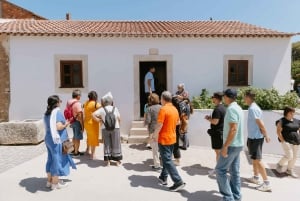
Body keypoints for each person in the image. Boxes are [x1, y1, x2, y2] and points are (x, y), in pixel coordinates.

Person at [152, 91, 186, 192]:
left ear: (163, 99)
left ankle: (178, 181)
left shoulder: (163, 109)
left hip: (164, 138)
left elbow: (159, 124)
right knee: (167, 158)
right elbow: (178, 122)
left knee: (167, 160)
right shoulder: (174, 109)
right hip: (172, 137)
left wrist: (154, 135)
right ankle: (163, 177)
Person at [215, 89, 244, 201]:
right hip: (238, 144)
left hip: (231, 145)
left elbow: (233, 128)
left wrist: (225, 146)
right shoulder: (239, 108)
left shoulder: (231, 109)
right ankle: (236, 196)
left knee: (220, 170)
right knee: (234, 172)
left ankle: (228, 197)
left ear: (227, 97)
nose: (223, 98)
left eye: (224, 96)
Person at [44, 95, 76, 190]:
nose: (61, 103)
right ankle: (55, 183)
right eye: (60, 101)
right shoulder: (57, 112)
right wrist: (66, 124)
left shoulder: (47, 113)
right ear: (57, 103)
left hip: (49, 138)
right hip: (56, 140)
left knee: (50, 159)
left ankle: (49, 181)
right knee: (56, 160)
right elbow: (58, 127)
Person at [244, 90, 272, 192]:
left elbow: (260, 123)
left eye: (244, 97)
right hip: (253, 137)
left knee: (258, 160)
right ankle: (256, 178)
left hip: (256, 138)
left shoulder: (253, 108)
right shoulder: (253, 107)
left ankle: (267, 183)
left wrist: (266, 135)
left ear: (248, 97)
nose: (244, 99)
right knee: (254, 159)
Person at [92, 92, 122, 166]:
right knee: (116, 144)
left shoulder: (102, 109)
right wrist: (118, 125)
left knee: (107, 144)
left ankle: (108, 161)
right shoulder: (115, 108)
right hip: (115, 128)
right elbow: (119, 118)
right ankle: (117, 161)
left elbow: (93, 114)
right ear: (111, 102)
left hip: (105, 128)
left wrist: (98, 120)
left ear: (105, 102)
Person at [275, 106, 300, 178]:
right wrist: (283, 141)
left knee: (294, 157)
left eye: (293, 112)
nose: (293, 114)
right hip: (286, 141)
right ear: (287, 112)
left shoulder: (296, 121)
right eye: (291, 112)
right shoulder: (281, 121)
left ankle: (289, 170)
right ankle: (280, 165)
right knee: (289, 156)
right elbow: (278, 132)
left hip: (296, 141)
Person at [205, 92, 226, 176]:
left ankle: (218, 169)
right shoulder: (223, 108)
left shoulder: (217, 109)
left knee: (218, 153)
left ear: (216, 98)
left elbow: (215, 121)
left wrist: (209, 119)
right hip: (221, 133)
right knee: (220, 152)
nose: (212, 99)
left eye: (213, 97)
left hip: (217, 133)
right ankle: (222, 168)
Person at [145, 93, 162, 170]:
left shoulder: (149, 109)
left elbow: (148, 121)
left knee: (155, 149)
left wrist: (145, 123)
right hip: (162, 129)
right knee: (162, 148)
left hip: (152, 130)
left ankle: (157, 165)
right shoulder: (162, 107)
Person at [83, 91, 101, 160]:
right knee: (94, 138)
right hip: (93, 123)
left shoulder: (86, 103)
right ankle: (93, 155)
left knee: (89, 136)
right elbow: (102, 110)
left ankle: (87, 150)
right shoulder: (96, 104)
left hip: (86, 123)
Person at [67, 89, 84, 157]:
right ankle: (76, 153)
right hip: (77, 122)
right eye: (80, 95)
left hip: (72, 121)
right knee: (77, 138)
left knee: (74, 136)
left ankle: (74, 150)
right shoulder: (78, 104)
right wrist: (82, 126)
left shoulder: (69, 102)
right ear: (78, 96)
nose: (80, 97)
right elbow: (80, 116)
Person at [175, 83, 191, 150]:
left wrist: (180, 98)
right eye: (178, 87)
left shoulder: (185, 93)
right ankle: (186, 144)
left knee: (184, 129)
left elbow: (186, 100)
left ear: (182, 87)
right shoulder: (177, 92)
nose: (178, 88)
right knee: (181, 130)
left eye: (179, 87)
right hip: (179, 113)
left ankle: (185, 145)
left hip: (185, 113)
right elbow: (176, 100)